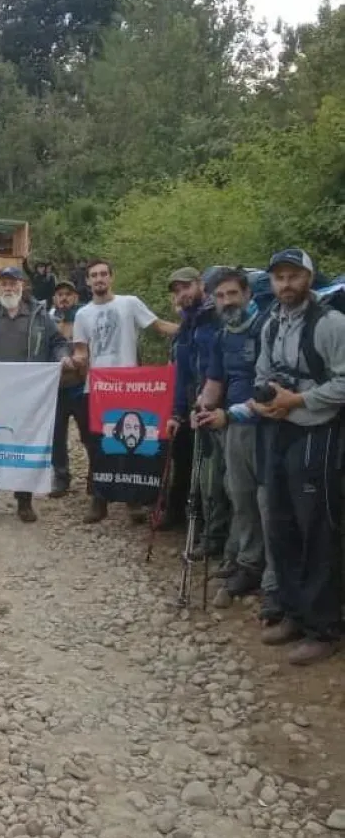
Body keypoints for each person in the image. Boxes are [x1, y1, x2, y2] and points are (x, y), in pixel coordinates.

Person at [251, 248, 345, 665]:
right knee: (280, 523)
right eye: (279, 277)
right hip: (281, 430)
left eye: (293, 276)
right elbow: (261, 374)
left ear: (309, 277)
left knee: (318, 529)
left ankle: (324, 628)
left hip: (318, 433)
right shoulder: (272, 323)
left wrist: (300, 399)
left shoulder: (331, 324)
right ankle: (293, 612)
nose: (285, 285)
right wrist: (263, 402)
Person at [196, 269, 278, 615]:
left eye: (232, 294)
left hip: (268, 426)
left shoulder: (267, 328)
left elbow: (273, 386)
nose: (227, 302)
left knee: (268, 503)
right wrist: (201, 407)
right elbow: (215, 381)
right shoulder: (222, 334)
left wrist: (228, 415)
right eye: (220, 296)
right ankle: (247, 563)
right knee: (239, 495)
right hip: (233, 425)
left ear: (247, 293)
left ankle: (274, 579)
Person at [72, 258, 178, 524]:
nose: (99, 279)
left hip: (129, 386)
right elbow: (81, 350)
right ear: (87, 281)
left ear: (112, 277)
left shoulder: (129, 303)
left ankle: (133, 499)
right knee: (97, 444)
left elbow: (159, 326)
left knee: (131, 441)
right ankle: (99, 498)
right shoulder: (82, 314)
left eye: (103, 274)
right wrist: (78, 360)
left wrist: (190, 326)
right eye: (94, 275)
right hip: (97, 388)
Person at [0, 266, 72, 522]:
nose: (8, 288)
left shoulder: (39, 315)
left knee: (24, 445)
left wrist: (63, 357)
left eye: (12, 283)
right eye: (3, 283)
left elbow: (57, 343)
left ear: (22, 286)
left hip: (27, 396)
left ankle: (24, 501)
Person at [165, 267, 230, 558]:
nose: (182, 294)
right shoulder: (186, 325)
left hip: (217, 407)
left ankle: (214, 537)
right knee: (192, 469)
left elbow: (221, 367)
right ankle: (194, 525)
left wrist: (214, 403)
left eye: (186, 287)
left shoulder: (215, 318)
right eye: (177, 291)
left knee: (214, 477)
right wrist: (176, 412)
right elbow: (182, 375)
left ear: (200, 285)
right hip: (191, 406)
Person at [49, 280, 87, 496]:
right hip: (56, 387)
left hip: (80, 385)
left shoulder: (85, 317)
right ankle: (61, 477)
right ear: (54, 298)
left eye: (68, 294)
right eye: (60, 294)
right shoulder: (47, 319)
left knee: (88, 433)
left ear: (75, 297)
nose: (64, 298)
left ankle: (95, 477)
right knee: (57, 435)